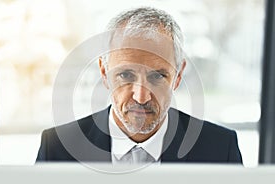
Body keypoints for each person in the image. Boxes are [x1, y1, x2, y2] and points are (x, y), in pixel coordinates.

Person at [36, 7, 243, 164]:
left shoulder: (220, 149)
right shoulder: (56, 149)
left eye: (157, 76)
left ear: (178, 76)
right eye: (125, 75)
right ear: (104, 73)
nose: (141, 97)